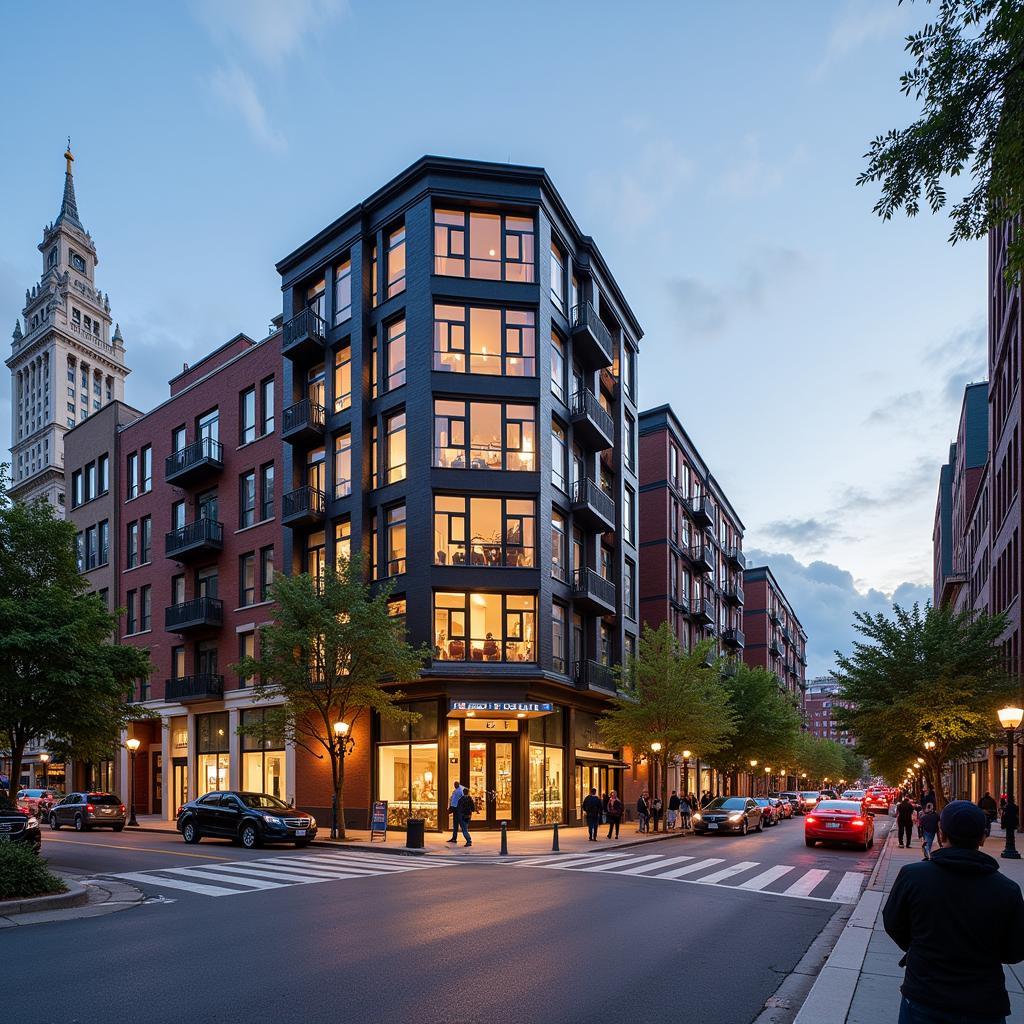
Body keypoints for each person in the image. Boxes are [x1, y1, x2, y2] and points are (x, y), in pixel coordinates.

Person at [883, 800, 1024, 1024]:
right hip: (983, 1004)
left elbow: (892, 923)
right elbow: (1015, 950)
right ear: (982, 837)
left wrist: (919, 946)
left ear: (941, 833)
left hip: (924, 996)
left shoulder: (914, 876)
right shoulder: (1007, 890)